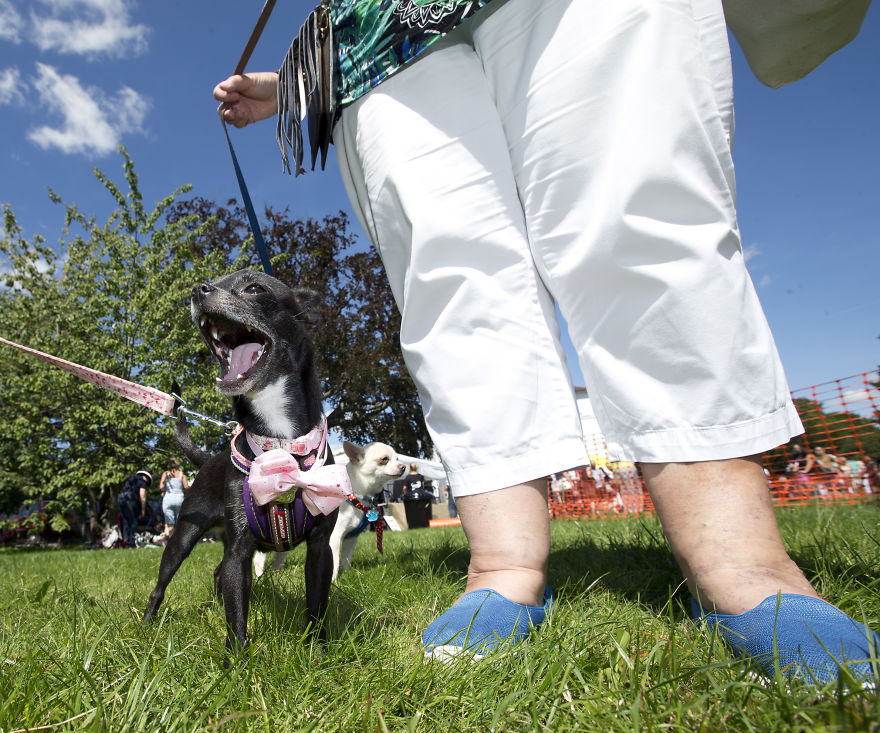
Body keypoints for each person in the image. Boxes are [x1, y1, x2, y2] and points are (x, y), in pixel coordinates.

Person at [214, 0, 877, 684]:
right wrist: (299, 81)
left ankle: (741, 563)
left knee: (631, 192)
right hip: (379, 28)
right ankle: (504, 566)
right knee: (449, 278)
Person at [157, 458, 189, 543]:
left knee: (170, 523)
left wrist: (165, 486)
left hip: (168, 499)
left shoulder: (166, 474)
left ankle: (172, 542)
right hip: (179, 499)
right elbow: (186, 487)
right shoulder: (182, 474)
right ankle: (180, 541)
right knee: (179, 522)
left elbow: (161, 487)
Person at [118, 470, 151, 549]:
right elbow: (142, 495)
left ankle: (125, 541)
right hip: (130, 499)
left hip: (121, 498)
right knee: (133, 521)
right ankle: (131, 543)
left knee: (125, 521)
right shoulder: (142, 481)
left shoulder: (130, 480)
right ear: (145, 477)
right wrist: (143, 510)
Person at [402, 462, 432, 529]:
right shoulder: (420, 476)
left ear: (410, 468)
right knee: (422, 511)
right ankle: (423, 523)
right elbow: (424, 482)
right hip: (421, 496)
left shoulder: (408, 477)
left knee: (413, 512)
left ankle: (413, 525)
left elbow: (404, 488)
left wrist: (405, 494)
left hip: (411, 497)